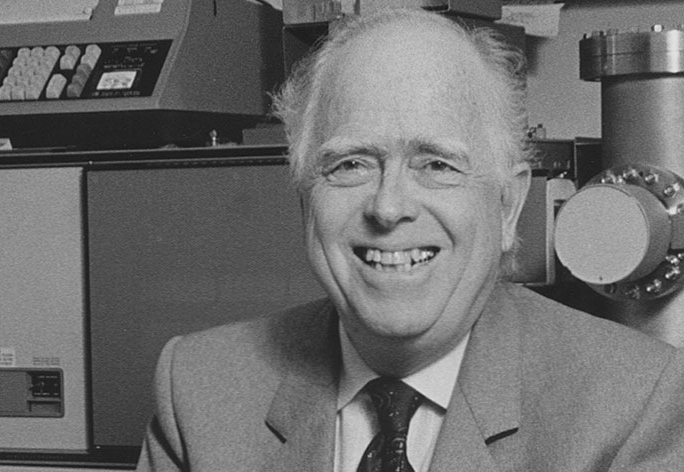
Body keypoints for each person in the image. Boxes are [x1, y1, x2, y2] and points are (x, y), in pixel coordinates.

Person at [136, 8, 684, 472]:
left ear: (507, 205)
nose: (389, 207)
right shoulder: (197, 388)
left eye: (437, 164)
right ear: (306, 199)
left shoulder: (634, 404)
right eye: (350, 164)